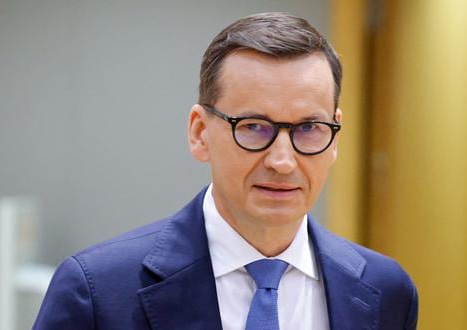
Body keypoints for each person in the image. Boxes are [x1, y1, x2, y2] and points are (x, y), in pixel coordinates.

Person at [33, 12, 418, 330]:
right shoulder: (98, 292)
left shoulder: (387, 291)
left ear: (334, 137)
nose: (282, 161)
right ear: (200, 133)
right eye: (253, 127)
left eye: (309, 129)